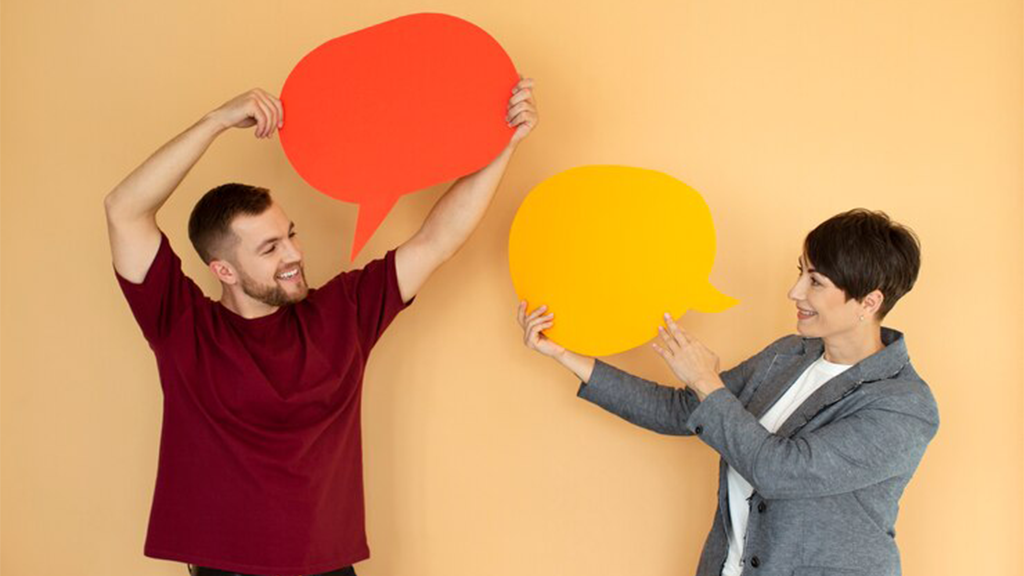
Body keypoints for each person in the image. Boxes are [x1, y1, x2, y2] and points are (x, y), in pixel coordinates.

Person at [105, 80, 537, 576]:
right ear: (223, 269)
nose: (293, 256)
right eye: (269, 249)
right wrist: (216, 122)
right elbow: (123, 209)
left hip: (328, 565)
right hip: (222, 566)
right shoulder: (181, 325)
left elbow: (437, 240)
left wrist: (506, 141)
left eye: (290, 236)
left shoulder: (343, 312)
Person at [517, 209, 938, 576]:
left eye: (815, 282)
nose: (795, 292)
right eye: (800, 272)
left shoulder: (903, 408)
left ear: (868, 302)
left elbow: (780, 471)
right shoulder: (788, 355)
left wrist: (705, 381)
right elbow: (683, 410)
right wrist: (563, 354)